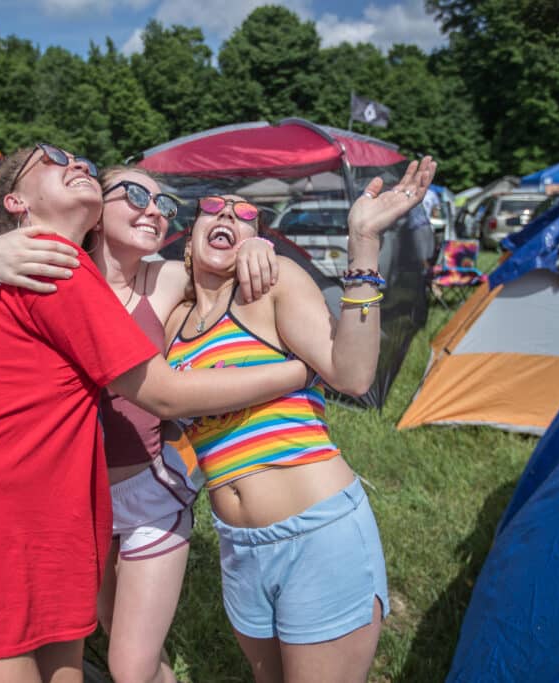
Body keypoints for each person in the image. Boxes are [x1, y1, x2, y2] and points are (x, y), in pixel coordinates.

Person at [0, 143, 310, 683]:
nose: (76, 163)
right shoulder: (23, 264)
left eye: (83, 163)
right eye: (52, 158)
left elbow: (210, 269)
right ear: (16, 200)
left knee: (117, 664)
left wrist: (260, 249)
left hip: (45, 530)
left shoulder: (75, 270)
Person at [164, 158, 435, 682]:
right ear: (188, 234)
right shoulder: (171, 318)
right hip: (238, 546)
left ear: (255, 240)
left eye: (247, 216)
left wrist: (363, 243)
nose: (229, 216)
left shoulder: (271, 287)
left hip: (318, 534)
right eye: (213, 209)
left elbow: (352, 375)